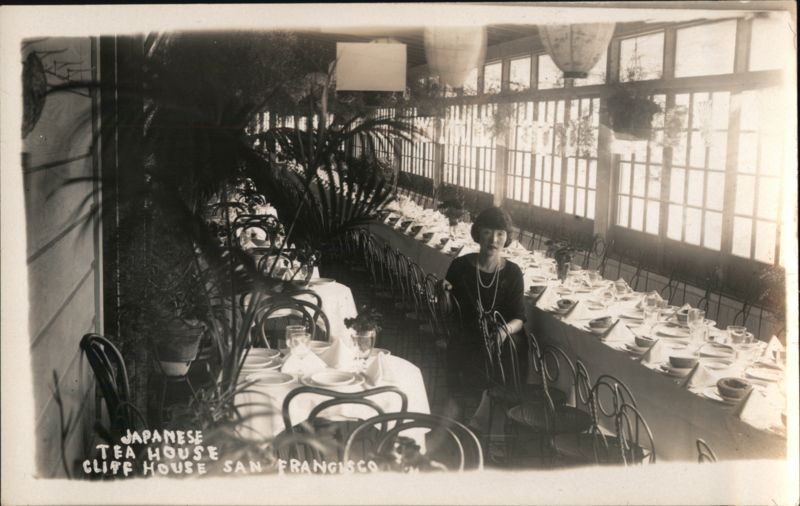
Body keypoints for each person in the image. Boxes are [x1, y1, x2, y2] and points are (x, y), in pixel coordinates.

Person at [442, 206, 528, 421]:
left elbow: (519, 318)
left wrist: (502, 332)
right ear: (478, 233)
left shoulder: (513, 272)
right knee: (470, 354)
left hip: (501, 335)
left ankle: (498, 414)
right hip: (467, 333)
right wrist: (443, 293)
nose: (494, 239)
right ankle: (474, 413)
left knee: (513, 347)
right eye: (488, 232)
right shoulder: (460, 266)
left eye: (500, 233)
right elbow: (447, 312)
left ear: (507, 238)